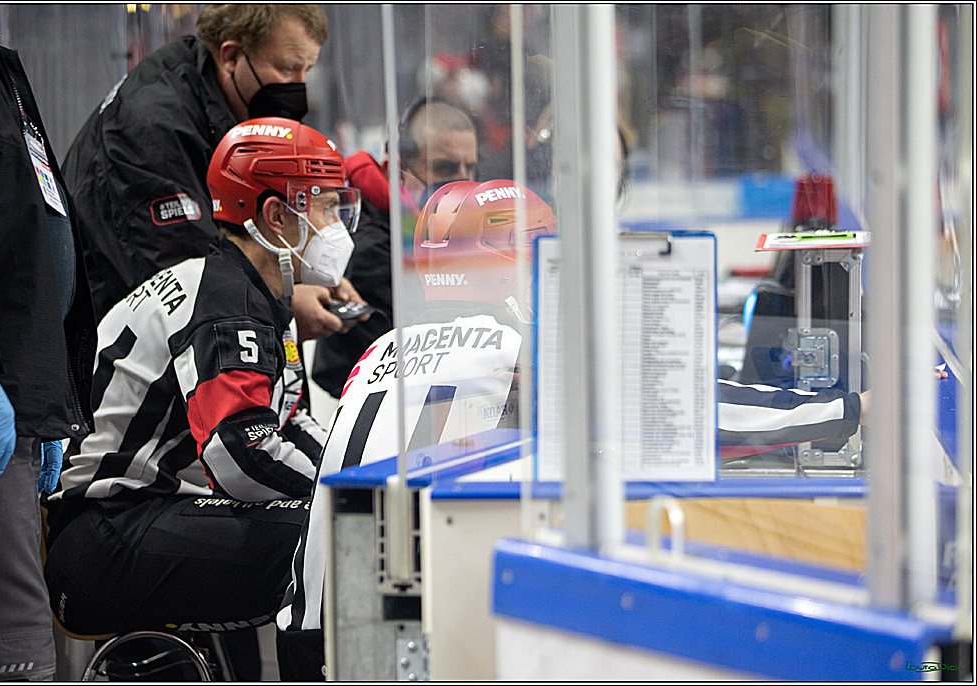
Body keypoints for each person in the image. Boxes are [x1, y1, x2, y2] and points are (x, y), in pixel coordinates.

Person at [276, 179, 867, 678]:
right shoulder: (515, 352)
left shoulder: (384, 345)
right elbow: (690, 414)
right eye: (543, 255)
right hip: (402, 652)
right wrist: (851, 408)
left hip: (317, 635)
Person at [43, 120, 360, 659]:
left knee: (331, 524)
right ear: (275, 216)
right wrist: (351, 495)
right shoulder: (227, 303)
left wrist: (357, 469)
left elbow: (289, 422)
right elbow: (241, 456)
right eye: (327, 207)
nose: (339, 226)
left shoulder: (248, 291)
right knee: (329, 542)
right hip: (103, 537)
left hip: (131, 519)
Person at [62, 3, 363, 347]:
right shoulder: (152, 126)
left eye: (307, 70)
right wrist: (286, 303)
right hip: (117, 355)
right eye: (288, 69)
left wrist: (304, 270)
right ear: (231, 56)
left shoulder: (229, 101)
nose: (299, 86)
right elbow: (186, 277)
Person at [0, 4, 97, 680]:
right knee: (3, 641)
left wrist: (50, 400)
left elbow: (26, 237)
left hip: (13, 390)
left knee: (13, 630)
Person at [311, 97, 479, 399]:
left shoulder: (438, 231)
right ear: (396, 171)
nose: (464, 182)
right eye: (444, 168)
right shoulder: (367, 246)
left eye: (471, 169)